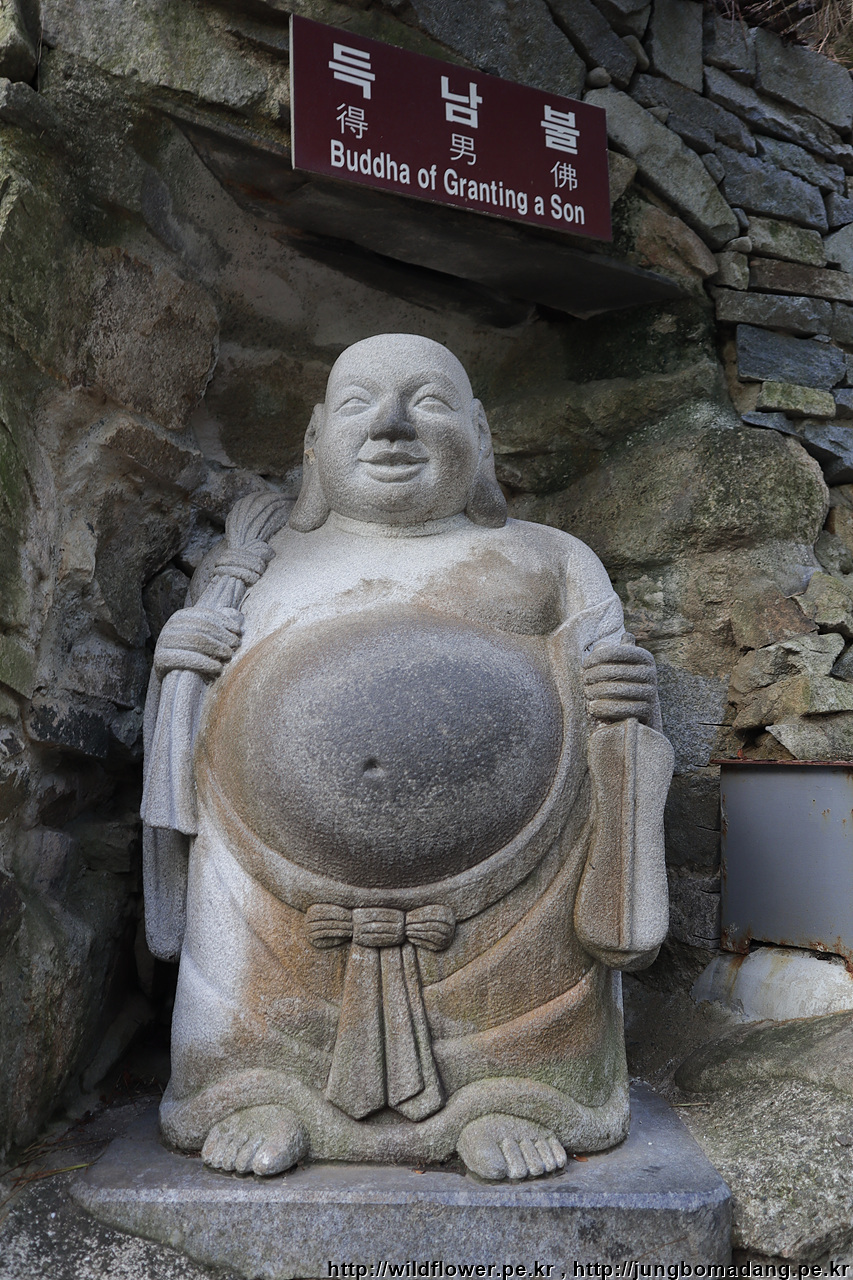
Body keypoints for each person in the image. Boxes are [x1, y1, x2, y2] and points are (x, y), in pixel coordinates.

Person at [142, 334, 672, 1181]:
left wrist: (623, 694)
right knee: (246, 994)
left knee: (526, 1000)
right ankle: (257, 1090)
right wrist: (179, 664)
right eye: (358, 404)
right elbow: (187, 729)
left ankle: (511, 1095)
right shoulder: (252, 568)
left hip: (517, 890)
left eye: (427, 402)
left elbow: (620, 713)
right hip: (265, 888)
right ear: (314, 439)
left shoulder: (550, 558)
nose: (391, 425)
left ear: (480, 434)